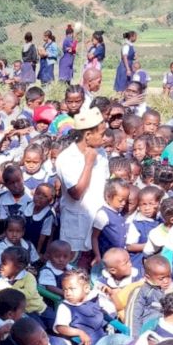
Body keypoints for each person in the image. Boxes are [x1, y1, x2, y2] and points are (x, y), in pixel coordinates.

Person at [54, 108, 110, 258]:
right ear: (88, 135)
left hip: (99, 221)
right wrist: (89, 164)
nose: (105, 138)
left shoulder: (102, 153)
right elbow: (76, 193)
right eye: (102, 134)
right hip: (76, 223)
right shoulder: (67, 158)